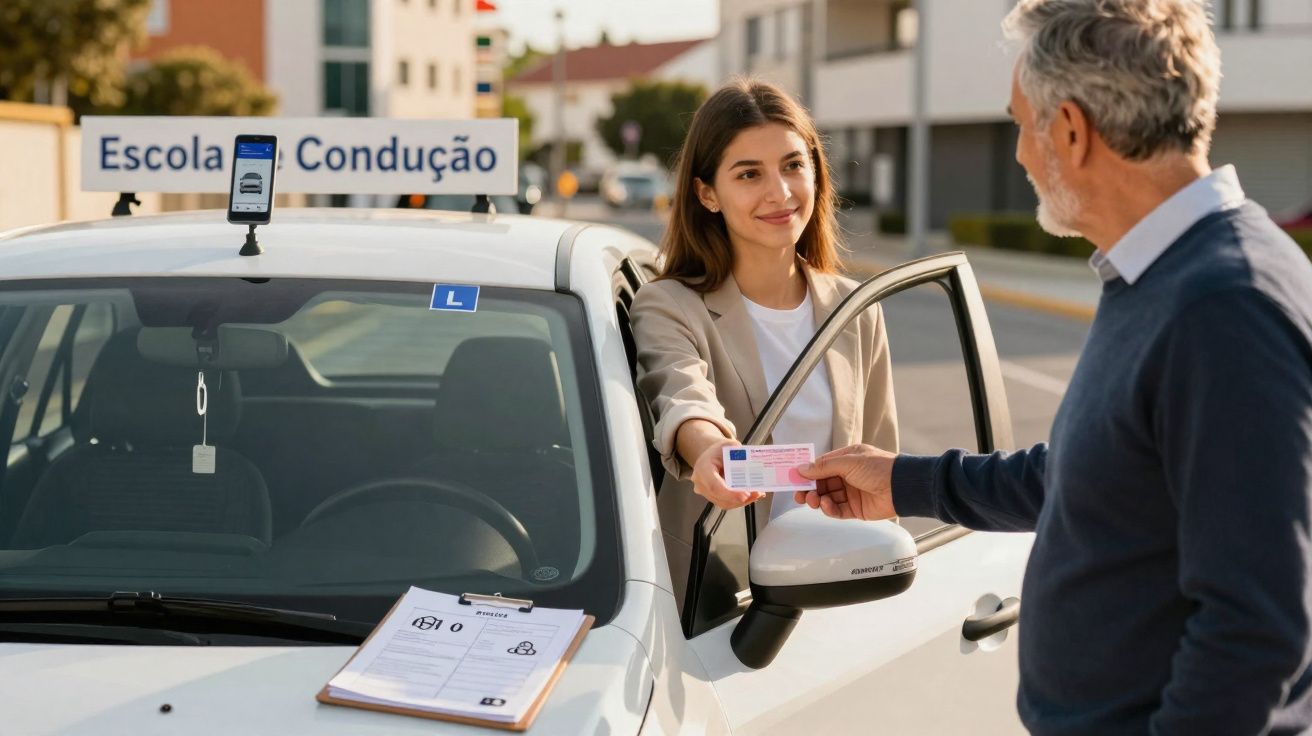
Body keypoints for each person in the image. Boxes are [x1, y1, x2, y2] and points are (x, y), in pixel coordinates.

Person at [795, 1, 1312, 733]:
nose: (1018, 154)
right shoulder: (1159, 274)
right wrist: (902, 481)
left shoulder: (1225, 305)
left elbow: (1256, 632)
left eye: (1018, 123)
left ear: (1070, 130)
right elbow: (1089, 477)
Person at [629, 79, 898, 525]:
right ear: (707, 194)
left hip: (836, 578)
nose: (780, 192)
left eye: (793, 165)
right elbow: (681, 394)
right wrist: (708, 447)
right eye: (749, 174)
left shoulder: (858, 309)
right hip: (720, 587)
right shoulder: (669, 305)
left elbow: (882, 470)